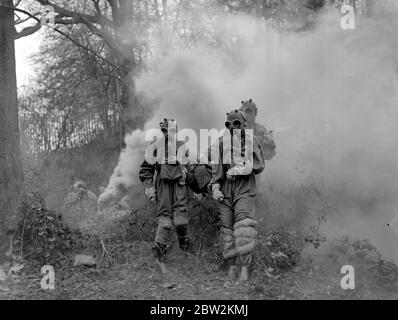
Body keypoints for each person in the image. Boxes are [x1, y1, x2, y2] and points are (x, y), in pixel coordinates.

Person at [210, 109, 265, 281]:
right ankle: (231, 266)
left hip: (244, 189)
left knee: (243, 228)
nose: (232, 127)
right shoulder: (221, 144)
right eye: (229, 124)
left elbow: (258, 165)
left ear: (244, 124)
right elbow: (217, 173)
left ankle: (245, 269)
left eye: (236, 123)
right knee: (227, 231)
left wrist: (237, 170)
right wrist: (215, 189)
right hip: (226, 191)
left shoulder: (251, 141)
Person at [139, 119, 190, 276]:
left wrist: (187, 174)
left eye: (173, 130)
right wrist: (149, 187)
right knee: (165, 222)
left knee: (181, 221)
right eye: (167, 130)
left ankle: (186, 250)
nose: (170, 133)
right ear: (163, 131)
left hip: (179, 186)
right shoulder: (155, 147)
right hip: (163, 186)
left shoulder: (182, 145)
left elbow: (189, 165)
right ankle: (159, 258)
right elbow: (146, 169)